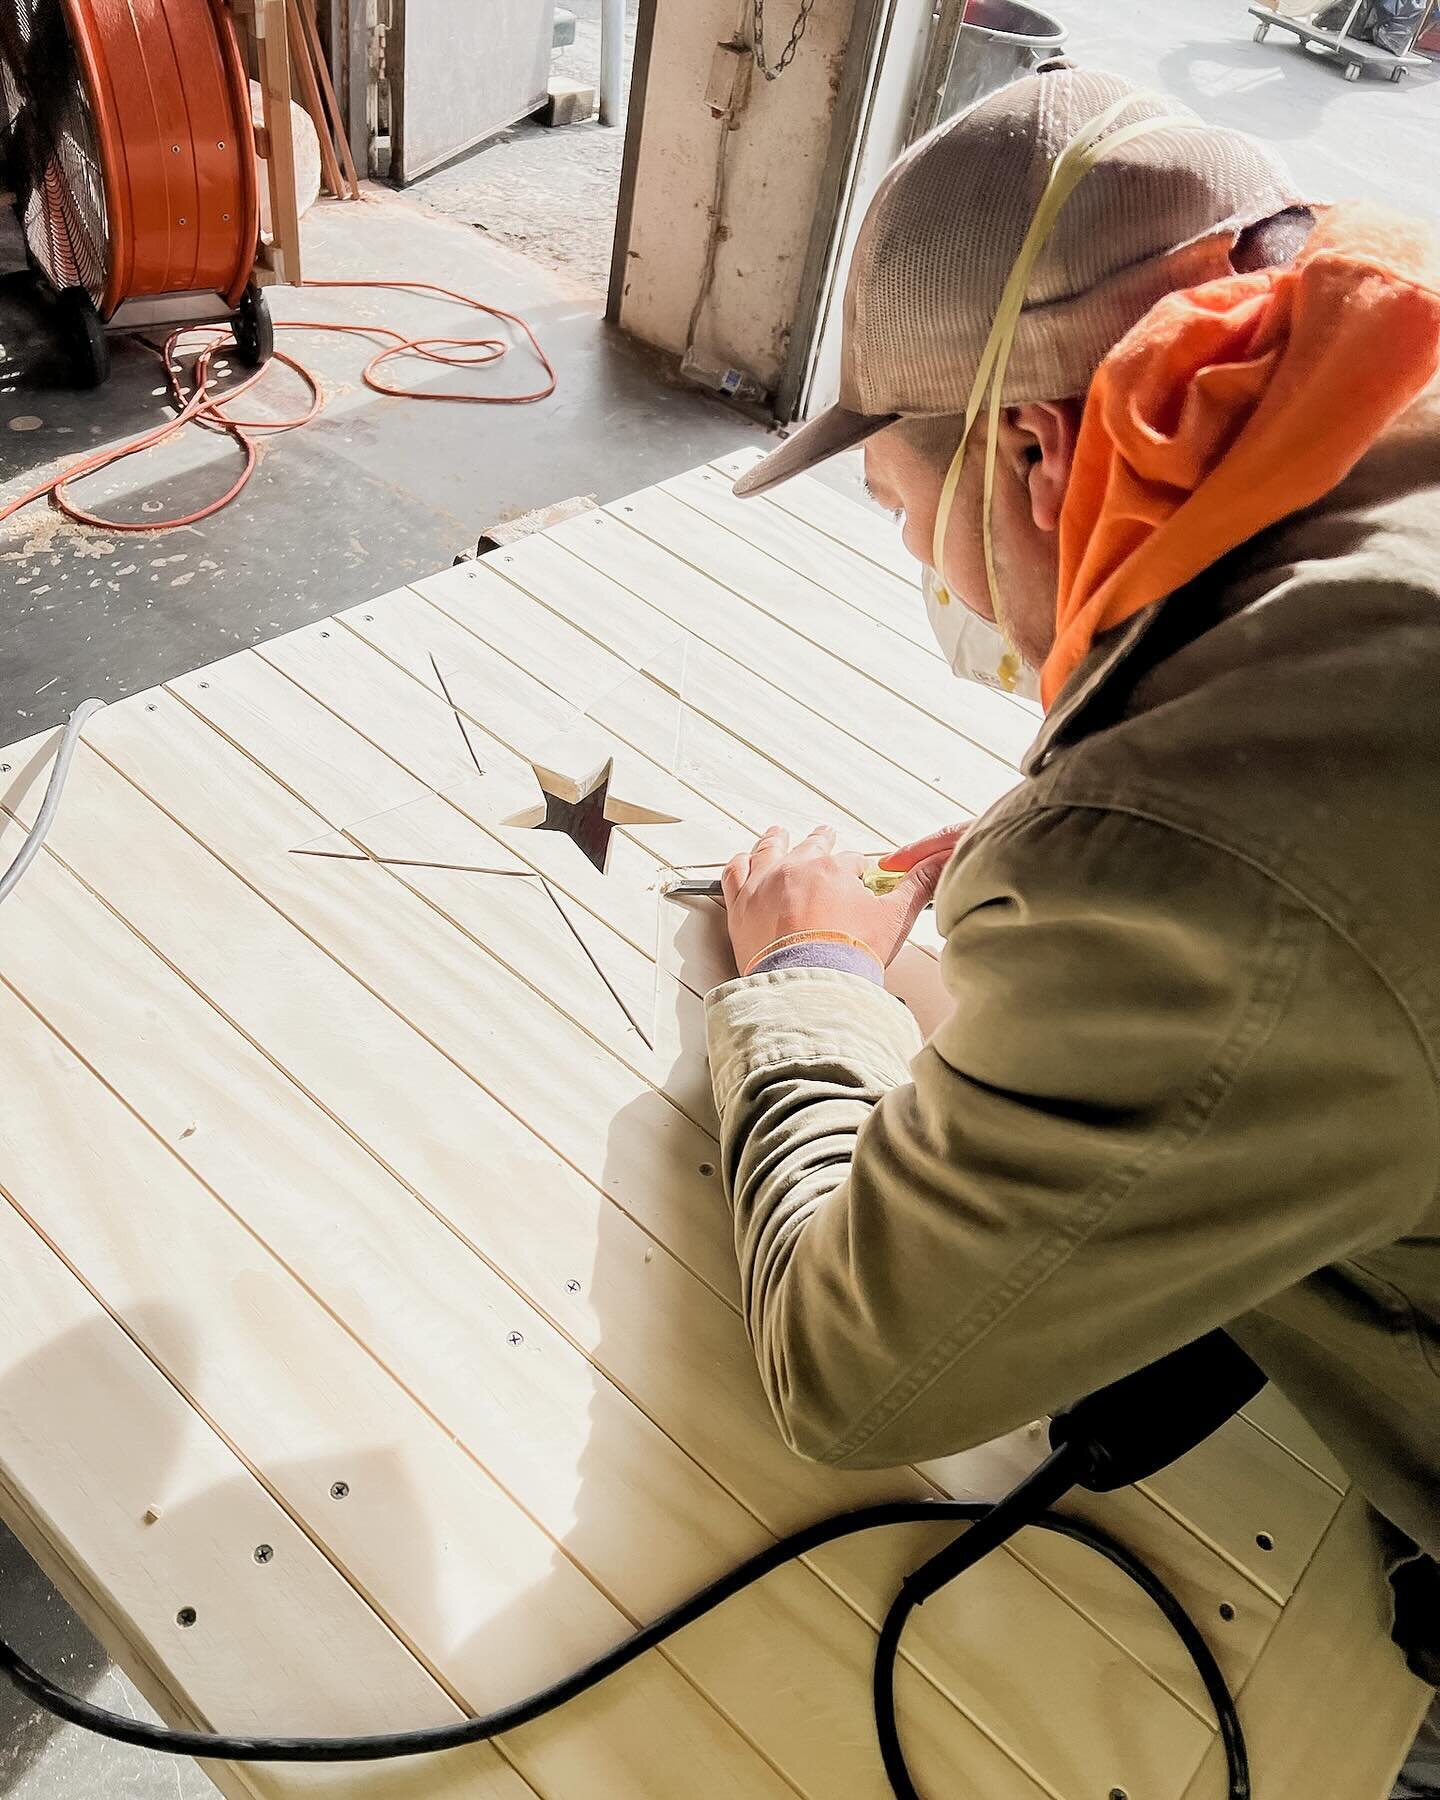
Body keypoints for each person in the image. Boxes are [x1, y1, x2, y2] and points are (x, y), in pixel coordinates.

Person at [706, 63, 1440, 1775]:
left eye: (905, 520)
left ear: (1035, 446)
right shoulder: (1381, 367)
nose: (931, 582)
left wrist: (811, 972)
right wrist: (1105, 812)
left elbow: (851, 1374)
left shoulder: (1195, 845)